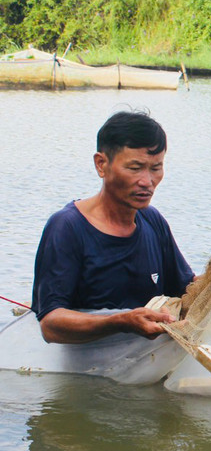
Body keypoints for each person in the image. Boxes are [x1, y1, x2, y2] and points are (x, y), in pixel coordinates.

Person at [32, 110, 194, 344]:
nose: (147, 182)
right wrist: (121, 322)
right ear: (101, 164)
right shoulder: (67, 226)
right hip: (87, 365)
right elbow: (50, 325)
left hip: (141, 359)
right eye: (135, 167)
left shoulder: (152, 220)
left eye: (155, 168)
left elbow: (186, 290)